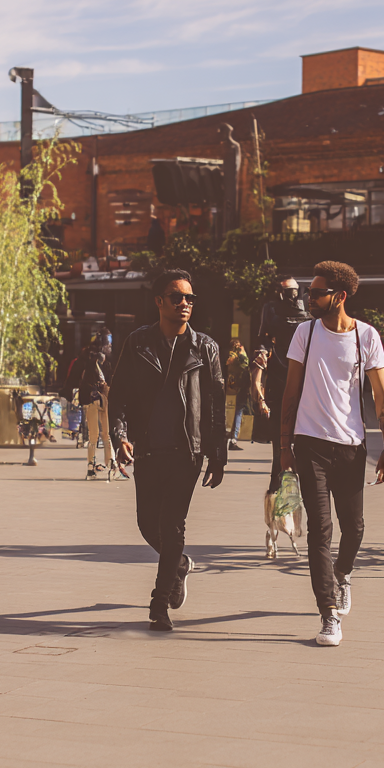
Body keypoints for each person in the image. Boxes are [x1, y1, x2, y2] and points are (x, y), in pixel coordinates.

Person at [278, 261, 384, 647]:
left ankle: (342, 575)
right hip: (309, 444)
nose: (308, 299)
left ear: (339, 296)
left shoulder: (366, 337)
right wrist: (283, 447)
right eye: (308, 292)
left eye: (316, 293)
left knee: (355, 527)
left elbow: (381, 395)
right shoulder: (304, 334)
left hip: (351, 447)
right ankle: (328, 614)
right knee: (320, 532)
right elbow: (290, 393)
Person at [110, 269, 227, 633]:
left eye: (189, 298)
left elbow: (215, 403)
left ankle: (159, 605)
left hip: (186, 451)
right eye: (176, 297)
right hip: (147, 448)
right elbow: (119, 395)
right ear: (159, 301)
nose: (184, 304)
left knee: (173, 526)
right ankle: (178, 565)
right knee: (148, 523)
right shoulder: (138, 342)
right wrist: (120, 436)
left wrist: (217, 453)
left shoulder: (205, 347)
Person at [256, 275, 311, 496]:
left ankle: (303, 486)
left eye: (293, 290)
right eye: (286, 290)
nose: (290, 295)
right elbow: (263, 338)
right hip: (280, 377)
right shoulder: (271, 309)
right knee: (281, 439)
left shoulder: (308, 306)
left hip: (306, 380)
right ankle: (277, 487)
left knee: (306, 440)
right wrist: (260, 360)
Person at [76, 337, 113, 480]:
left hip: (96, 401)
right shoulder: (97, 363)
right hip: (100, 400)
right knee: (103, 435)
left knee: (97, 435)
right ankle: (107, 464)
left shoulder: (91, 363)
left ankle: (94, 466)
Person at [225, 337, 249, 452]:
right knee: (239, 410)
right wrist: (243, 353)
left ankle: (231, 436)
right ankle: (233, 439)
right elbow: (244, 366)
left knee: (237, 410)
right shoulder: (239, 357)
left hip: (237, 386)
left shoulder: (232, 356)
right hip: (242, 386)